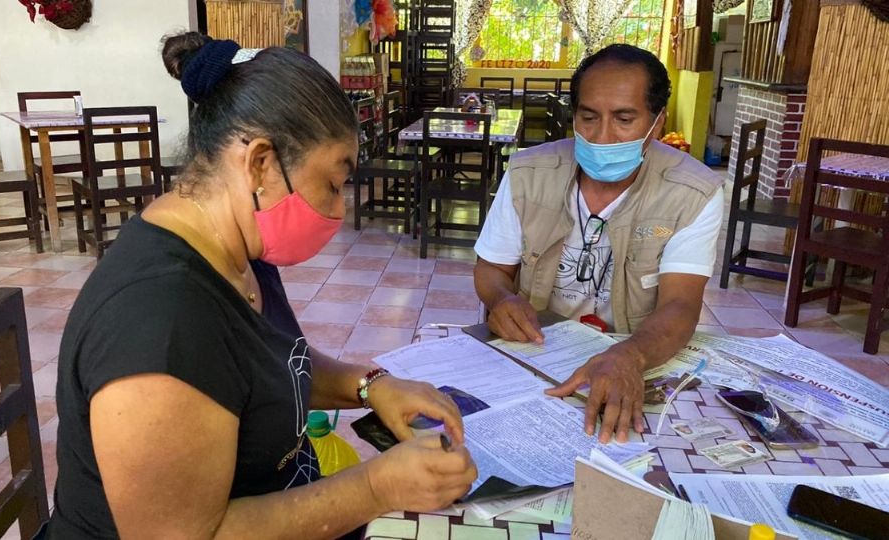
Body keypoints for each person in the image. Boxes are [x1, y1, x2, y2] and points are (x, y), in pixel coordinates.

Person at [45, 33, 476, 539]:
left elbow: (270, 362)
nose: (339, 210)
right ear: (261, 164)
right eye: (333, 184)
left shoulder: (237, 245)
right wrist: (375, 489)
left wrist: (370, 385)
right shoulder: (160, 320)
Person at [474, 44, 724, 444]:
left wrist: (631, 357)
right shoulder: (527, 173)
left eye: (624, 119)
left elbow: (681, 303)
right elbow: (491, 270)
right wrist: (503, 299)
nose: (602, 136)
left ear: (657, 123)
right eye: (588, 117)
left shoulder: (692, 192)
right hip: (539, 349)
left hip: (634, 350)